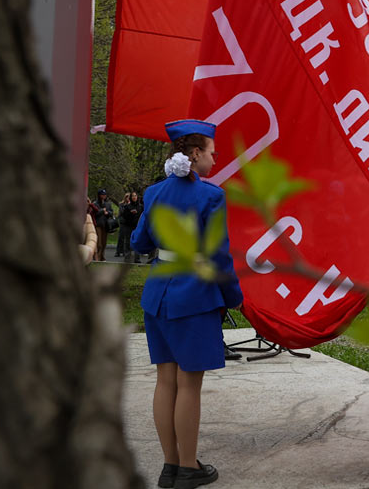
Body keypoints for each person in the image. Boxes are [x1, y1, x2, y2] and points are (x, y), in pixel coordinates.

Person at [131, 119, 244, 489]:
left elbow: (139, 243)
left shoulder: (153, 193)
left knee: (165, 381)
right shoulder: (211, 196)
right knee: (189, 384)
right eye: (212, 151)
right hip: (193, 297)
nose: (216, 157)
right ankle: (188, 466)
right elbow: (219, 256)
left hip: (158, 295)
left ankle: (169, 466)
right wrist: (233, 297)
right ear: (195, 154)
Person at [119, 191, 144, 261]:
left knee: (137, 241)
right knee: (127, 242)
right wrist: (131, 213)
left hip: (137, 226)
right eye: (133, 196)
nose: (134, 197)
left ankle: (137, 258)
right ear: (130, 197)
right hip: (128, 226)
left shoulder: (141, 206)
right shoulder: (127, 207)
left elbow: (142, 216)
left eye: (135, 196)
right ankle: (127, 257)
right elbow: (124, 216)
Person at [90, 189, 113, 262]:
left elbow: (111, 212)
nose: (104, 196)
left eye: (105, 195)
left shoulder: (108, 204)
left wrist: (108, 213)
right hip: (98, 224)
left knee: (104, 242)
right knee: (99, 243)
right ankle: (97, 257)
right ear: (99, 195)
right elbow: (94, 213)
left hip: (105, 224)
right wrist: (102, 211)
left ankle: (102, 256)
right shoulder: (95, 203)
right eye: (102, 195)